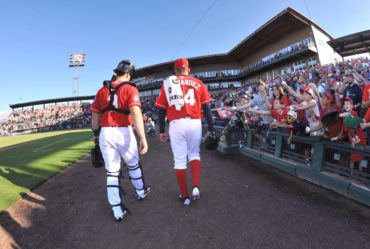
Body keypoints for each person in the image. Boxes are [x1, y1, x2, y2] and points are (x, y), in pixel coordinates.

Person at [91, 59, 150, 221]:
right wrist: (143, 138)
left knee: (112, 172)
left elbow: (95, 117)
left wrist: (96, 135)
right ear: (128, 73)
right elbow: (136, 114)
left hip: (105, 133)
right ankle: (140, 191)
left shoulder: (101, 90)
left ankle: (117, 209)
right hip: (123, 131)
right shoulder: (130, 89)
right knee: (133, 164)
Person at [155, 58, 215, 206]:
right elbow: (207, 109)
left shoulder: (168, 84)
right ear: (188, 69)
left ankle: (185, 195)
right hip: (195, 122)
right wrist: (212, 128)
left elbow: (161, 110)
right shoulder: (198, 83)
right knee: (194, 154)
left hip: (176, 124)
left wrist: (162, 130)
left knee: (180, 161)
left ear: (175, 71)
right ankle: (195, 186)